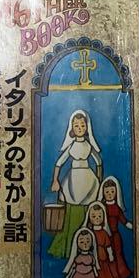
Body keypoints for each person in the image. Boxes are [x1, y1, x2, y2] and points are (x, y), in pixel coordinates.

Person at [48, 109, 103, 258]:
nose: (80, 128)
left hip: (88, 180)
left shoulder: (88, 145)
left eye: (82, 125)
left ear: (87, 127)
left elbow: (98, 162)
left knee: (86, 209)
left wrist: (99, 181)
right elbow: (59, 163)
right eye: (76, 126)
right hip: (72, 180)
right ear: (72, 128)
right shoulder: (71, 146)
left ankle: (87, 248)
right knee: (71, 209)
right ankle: (68, 248)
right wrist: (55, 180)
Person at [99, 176, 132, 278]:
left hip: (115, 235)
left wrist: (133, 226)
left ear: (116, 192)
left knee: (117, 254)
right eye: (107, 192)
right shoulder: (102, 207)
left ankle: (121, 273)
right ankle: (110, 277)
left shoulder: (117, 208)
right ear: (103, 193)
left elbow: (124, 221)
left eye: (112, 191)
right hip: (105, 236)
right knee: (106, 256)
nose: (109, 194)